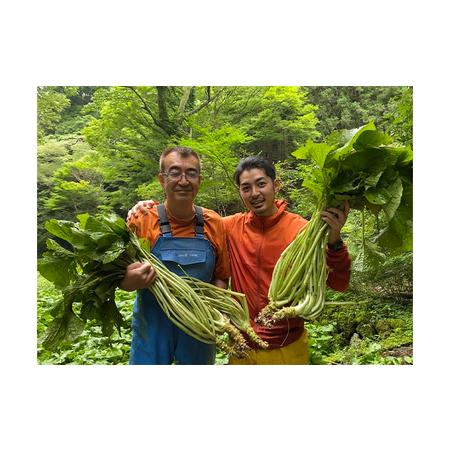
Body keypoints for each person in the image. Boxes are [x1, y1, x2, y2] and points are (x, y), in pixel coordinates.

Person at [128, 156, 351, 364]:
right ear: (240, 193)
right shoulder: (228, 226)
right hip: (241, 346)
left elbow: (338, 284)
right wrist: (149, 208)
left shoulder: (303, 231)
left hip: (288, 346)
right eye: (246, 188)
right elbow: (185, 220)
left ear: (276, 185)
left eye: (261, 184)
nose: (255, 193)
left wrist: (334, 242)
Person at [119, 146, 230, 365]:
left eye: (191, 173)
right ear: (162, 179)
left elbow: (220, 276)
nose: (184, 180)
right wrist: (126, 281)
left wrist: (214, 310)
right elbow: (117, 275)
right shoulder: (141, 220)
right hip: (152, 326)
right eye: (174, 172)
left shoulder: (213, 222)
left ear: (199, 179)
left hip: (200, 323)